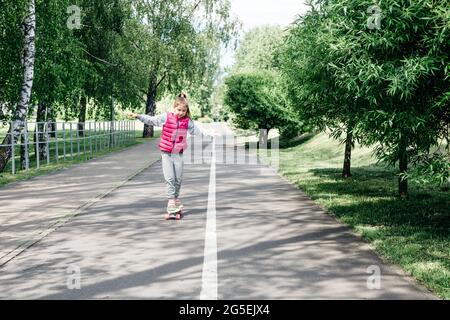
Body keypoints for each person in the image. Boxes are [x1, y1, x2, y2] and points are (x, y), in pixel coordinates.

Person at [128, 92, 217, 215]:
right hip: (166, 153)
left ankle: (175, 198)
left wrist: (209, 135)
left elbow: (198, 132)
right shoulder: (167, 117)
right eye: (178, 109)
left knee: (178, 179)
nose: (180, 112)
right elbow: (151, 120)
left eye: (183, 111)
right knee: (170, 178)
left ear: (186, 111)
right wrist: (138, 116)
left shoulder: (187, 122)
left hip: (178, 153)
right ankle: (171, 202)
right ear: (174, 107)